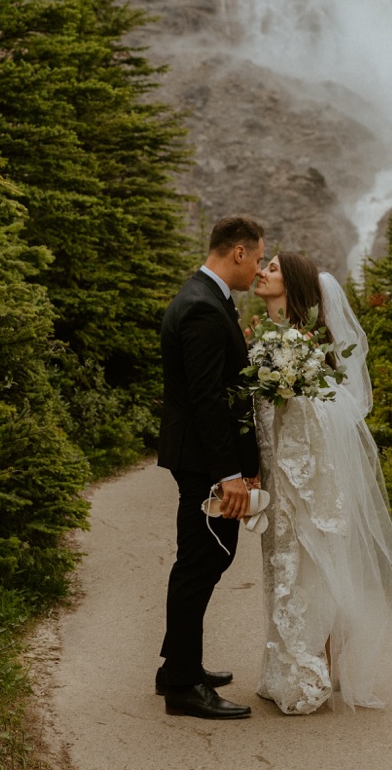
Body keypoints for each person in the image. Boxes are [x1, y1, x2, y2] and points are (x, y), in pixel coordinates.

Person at [250, 252, 392, 715]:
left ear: (294, 287)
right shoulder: (272, 340)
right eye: (263, 265)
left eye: (274, 268)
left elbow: (324, 415)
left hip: (305, 476)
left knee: (310, 565)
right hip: (278, 475)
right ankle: (288, 664)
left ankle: (314, 666)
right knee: (284, 567)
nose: (263, 272)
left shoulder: (300, 349)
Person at [156, 215, 266, 719]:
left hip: (201, 460)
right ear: (238, 252)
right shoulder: (202, 307)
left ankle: (179, 666)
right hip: (204, 464)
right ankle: (182, 685)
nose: (259, 269)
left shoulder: (208, 297)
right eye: (259, 258)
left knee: (203, 560)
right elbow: (207, 401)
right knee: (201, 564)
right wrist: (229, 475)